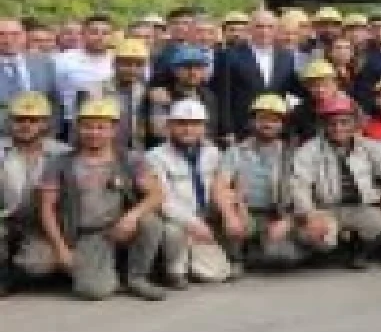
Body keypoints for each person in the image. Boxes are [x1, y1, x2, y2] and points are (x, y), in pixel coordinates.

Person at [34, 98, 167, 301]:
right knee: (93, 291)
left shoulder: (130, 159)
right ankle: (110, 271)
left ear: (114, 130)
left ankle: (137, 278)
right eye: (87, 127)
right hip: (87, 235)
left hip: (120, 226)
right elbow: (47, 209)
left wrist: (132, 216)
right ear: (78, 128)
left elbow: (157, 194)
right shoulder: (60, 163)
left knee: (150, 222)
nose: (94, 133)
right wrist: (60, 248)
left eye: (101, 127)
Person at [289, 93, 381, 270]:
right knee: (319, 239)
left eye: (344, 122)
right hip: (325, 209)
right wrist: (309, 214)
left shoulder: (368, 146)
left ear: (354, 124)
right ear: (323, 125)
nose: (338, 128)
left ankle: (360, 248)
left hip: (360, 207)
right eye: (332, 123)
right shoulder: (308, 150)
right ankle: (331, 249)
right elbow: (299, 185)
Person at [219, 94, 322, 270]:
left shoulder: (292, 154)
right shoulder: (235, 151)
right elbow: (220, 184)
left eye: (274, 120)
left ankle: (254, 252)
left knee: (285, 257)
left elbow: (305, 190)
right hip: (245, 212)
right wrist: (231, 213)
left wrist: (289, 221)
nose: (267, 124)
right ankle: (236, 257)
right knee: (231, 215)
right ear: (252, 122)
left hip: (277, 214)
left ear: (282, 124)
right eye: (262, 119)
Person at [149, 99, 241, 286]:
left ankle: (217, 256)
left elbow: (224, 188)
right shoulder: (154, 156)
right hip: (178, 220)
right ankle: (173, 271)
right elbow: (163, 200)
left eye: (195, 124)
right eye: (181, 123)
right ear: (169, 126)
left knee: (216, 275)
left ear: (204, 127)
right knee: (172, 230)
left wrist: (229, 211)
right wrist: (192, 223)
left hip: (206, 219)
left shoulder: (214, 153)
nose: (188, 129)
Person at [0, 93, 70, 295]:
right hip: (5, 220)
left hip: (42, 226)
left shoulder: (62, 153)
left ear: (45, 124)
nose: (26, 125)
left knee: (38, 265)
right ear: (10, 121)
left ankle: (18, 268)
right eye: (19, 119)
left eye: (33, 120)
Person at [211, 9, 299, 141]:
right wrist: (227, 129)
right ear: (249, 29)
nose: (264, 31)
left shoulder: (287, 57)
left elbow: (294, 90)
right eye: (259, 26)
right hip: (242, 129)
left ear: (276, 30)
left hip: (276, 128)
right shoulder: (229, 55)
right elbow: (224, 94)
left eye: (270, 27)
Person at [143, 45, 218, 149]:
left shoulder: (209, 97)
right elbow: (159, 134)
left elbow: (211, 131)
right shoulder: (162, 96)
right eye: (187, 67)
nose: (193, 72)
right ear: (175, 70)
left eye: (198, 67)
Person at [53, 14, 114, 138]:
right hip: (72, 124)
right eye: (94, 32)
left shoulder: (118, 60)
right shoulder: (63, 60)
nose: (100, 37)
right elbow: (55, 93)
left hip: (109, 123)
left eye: (105, 33)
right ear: (83, 34)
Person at [0, 18, 59, 136]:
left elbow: (53, 101)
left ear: (25, 36)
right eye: (2, 35)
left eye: (15, 34)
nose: (8, 40)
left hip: (39, 138)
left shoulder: (44, 62)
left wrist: (51, 133)